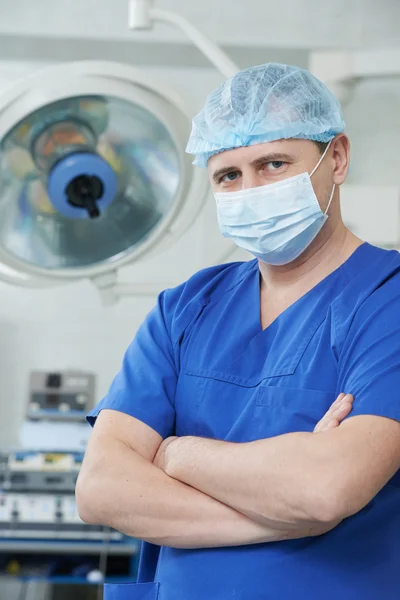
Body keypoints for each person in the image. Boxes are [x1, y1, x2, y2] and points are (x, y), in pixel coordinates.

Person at [76, 63, 400, 600]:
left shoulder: (385, 300)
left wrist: (177, 455)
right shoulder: (184, 309)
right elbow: (102, 490)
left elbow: (325, 489)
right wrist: (286, 514)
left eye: (273, 164)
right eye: (229, 175)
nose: (251, 189)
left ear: (336, 157)